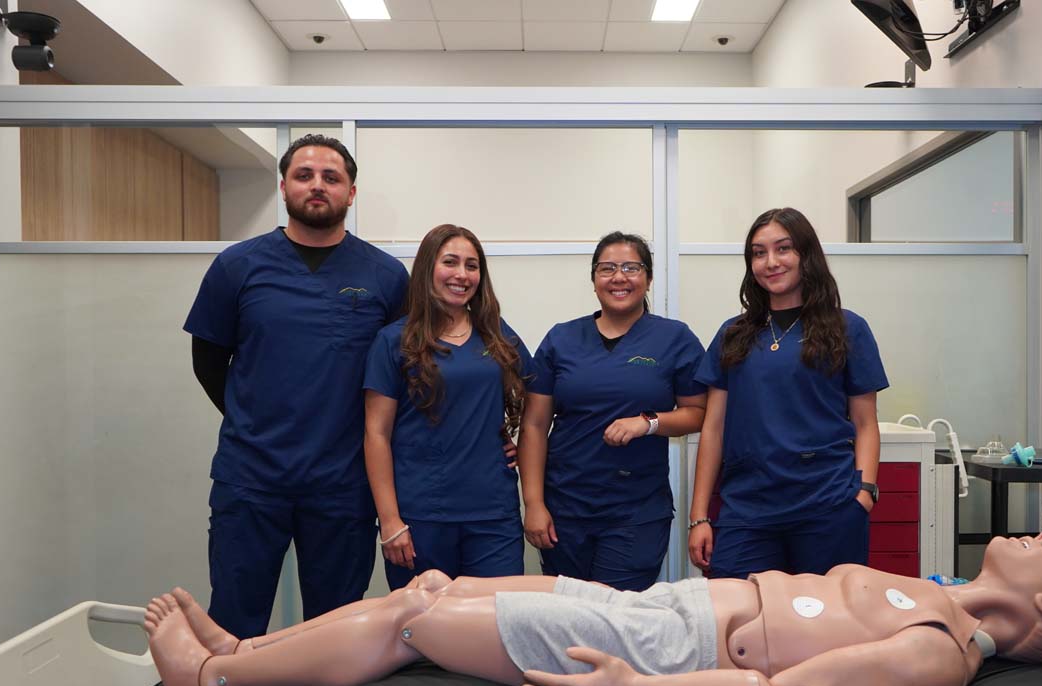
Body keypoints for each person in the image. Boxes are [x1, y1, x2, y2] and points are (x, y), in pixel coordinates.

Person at [145, 532, 1042, 686]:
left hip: (666, 648)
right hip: (659, 601)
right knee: (437, 580)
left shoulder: (938, 656)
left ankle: (217, 685)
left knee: (414, 616)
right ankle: (244, 650)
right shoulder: (936, 594)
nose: (1040, 532)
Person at [184, 134, 409, 640]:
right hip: (252, 478)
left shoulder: (386, 277)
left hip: (343, 482)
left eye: (331, 178)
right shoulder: (237, 266)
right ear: (282, 185)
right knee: (235, 625)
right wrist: (256, 418)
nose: (317, 186)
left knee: (334, 630)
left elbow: (404, 378)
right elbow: (208, 361)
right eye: (304, 175)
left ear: (351, 193)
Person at [688, 208, 889, 579]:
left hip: (827, 504)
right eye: (758, 253)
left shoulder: (847, 328)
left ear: (806, 255)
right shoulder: (734, 334)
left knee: (826, 623)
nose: (771, 262)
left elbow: (865, 422)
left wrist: (864, 493)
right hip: (747, 508)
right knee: (737, 618)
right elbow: (713, 428)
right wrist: (699, 515)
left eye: (783, 249)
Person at [519, 232, 706, 590]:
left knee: (618, 617)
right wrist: (534, 503)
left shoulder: (674, 338)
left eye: (631, 267)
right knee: (566, 616)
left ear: (648, 278)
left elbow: (698, 413)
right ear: (594, 281)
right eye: (607, 269)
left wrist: (648, 423)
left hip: (636, 511)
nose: (619, 277)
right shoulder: (562, 339)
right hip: (565, 508)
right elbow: (534, 424)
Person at [363, 224, 531, 590]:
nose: (462, 274)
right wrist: (390, 521)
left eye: (472, 266)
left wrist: (525, 445)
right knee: (424, 634)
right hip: (421, 515)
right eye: (450, 262)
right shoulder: (394, 340)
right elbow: (376, 434)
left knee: (493, 626)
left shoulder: (496, 334)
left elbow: (541, 396)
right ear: (428, 269)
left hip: (493, 514)